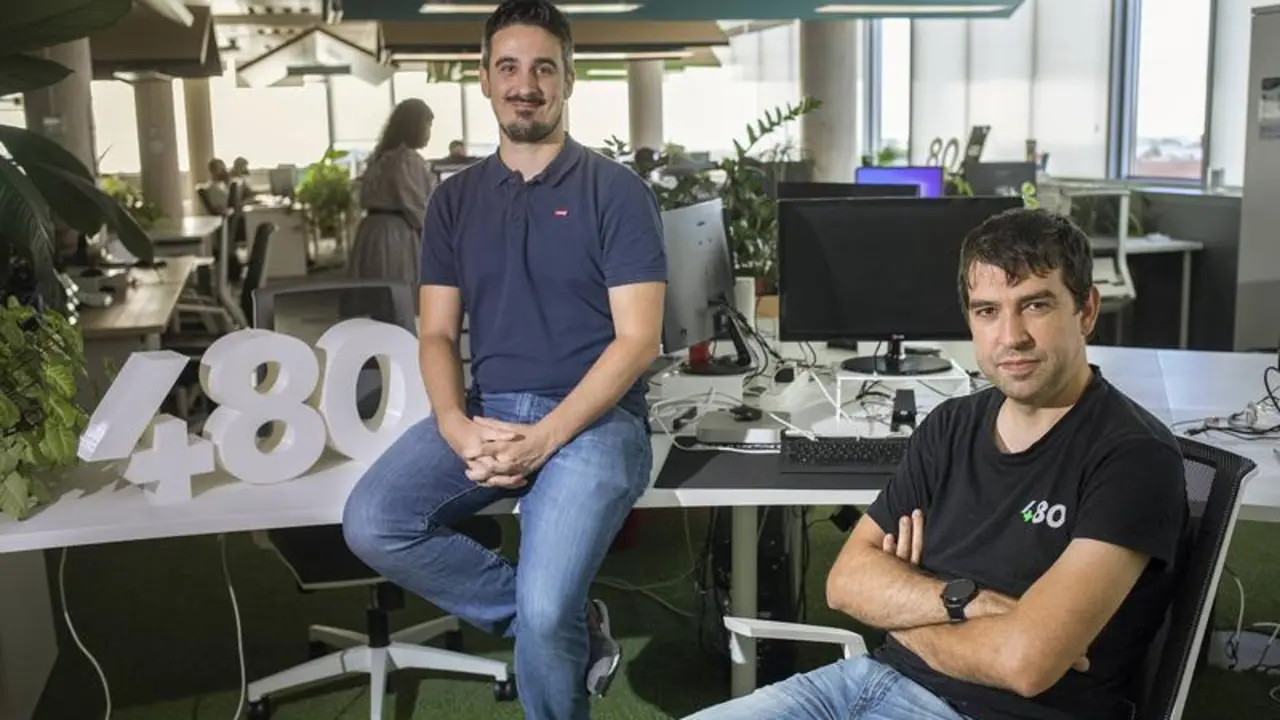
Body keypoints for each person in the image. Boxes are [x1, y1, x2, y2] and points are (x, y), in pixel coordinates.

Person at [686, 208, 1189, 720]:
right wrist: (966, 602)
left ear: (1086, 311)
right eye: (987, 311)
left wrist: (898, 611)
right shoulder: (952, 424)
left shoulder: (1133, 457)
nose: (1010, 336)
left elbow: (1024, 664)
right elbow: (845, 582)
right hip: (862, 681)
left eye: (1035, 305)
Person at [341, 2, 666, 720]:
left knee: (546, 613)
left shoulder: (617, 193)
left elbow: (638, 340)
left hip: (598, 421)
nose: (526, 85)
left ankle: (554, 626)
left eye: (544, 69)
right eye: (509, 68)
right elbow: (435, 334)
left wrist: (545, 437)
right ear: (485, 79)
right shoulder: (453, 201)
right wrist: (454, 424)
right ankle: (570, 628)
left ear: (568, 80)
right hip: (489, 408)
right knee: (374, 520)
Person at [347, 97, 438, 295]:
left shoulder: (381, 158)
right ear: (414, 126)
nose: (429, 132)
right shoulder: (407, 159)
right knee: (398, 292)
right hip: (396, 234)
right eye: (427, 125)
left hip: (371, 232)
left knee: (374, 293)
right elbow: (418, 207)